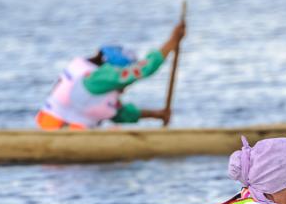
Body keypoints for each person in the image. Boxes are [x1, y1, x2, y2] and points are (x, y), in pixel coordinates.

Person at [35, 20, 186, 130]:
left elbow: (121, 114)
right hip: (59, 136)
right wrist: (172, 42)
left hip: (57, 134)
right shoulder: (98, 78)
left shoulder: (91, 80)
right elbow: (145, 69)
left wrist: (157, 115)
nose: (127, 85)